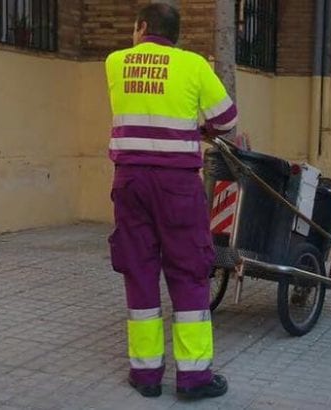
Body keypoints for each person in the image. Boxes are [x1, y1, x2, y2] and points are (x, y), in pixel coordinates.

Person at [104, 3, 237, 400]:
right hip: (178, 185)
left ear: (142, 27)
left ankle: (145, 375)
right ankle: (193, 378)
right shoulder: (194, 65)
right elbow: (227, 120)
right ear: (175, 34)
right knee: (188, 271)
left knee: (139, 270)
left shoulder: (114, 62)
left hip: (130, 182)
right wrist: (202, 126)